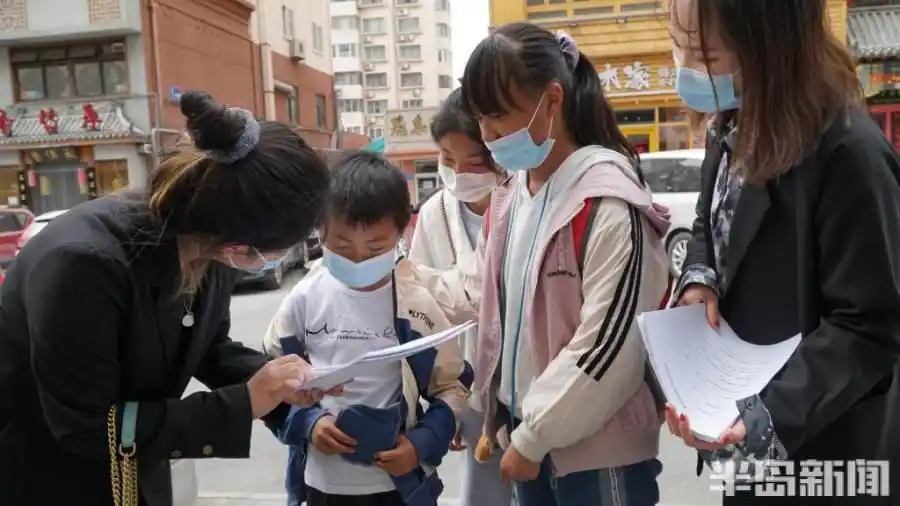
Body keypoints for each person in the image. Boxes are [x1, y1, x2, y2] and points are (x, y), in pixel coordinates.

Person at [0, 91, 336, 506]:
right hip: (48, 481)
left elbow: (209, 346)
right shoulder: (83, 265)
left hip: (136, 471)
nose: (279, 258)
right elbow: (85, 426)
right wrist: (245, 401)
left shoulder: (205, 242)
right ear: (239, 242)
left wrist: (285, 388)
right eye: (279, 247)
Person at [664, 1, 900, 504]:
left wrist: (766, 417)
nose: (685, 66)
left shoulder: (849, 153)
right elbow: (709, 218)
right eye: (678, 44)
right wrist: (700, 274)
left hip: (825, 449)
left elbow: (869, 325)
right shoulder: (730, 127)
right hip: (740, 424)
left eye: (703, 52)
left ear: (769, 47)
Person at [459, 23, 671, 506]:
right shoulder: (514, 196)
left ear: (552, 100)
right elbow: (482, 294)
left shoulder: (608, 203)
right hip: (525, 434)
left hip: (595, 453)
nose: (487, 135)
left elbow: (610, 347)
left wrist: (534, 436)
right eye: (479, 119)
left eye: (497, 117)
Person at [262, 151, 472, 506]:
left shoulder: (415, 305)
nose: (358, 259)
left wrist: (419, 444)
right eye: (341, 246)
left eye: (376, 247)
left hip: (397, 489)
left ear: (402, 232)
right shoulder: (304, 298)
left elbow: (452, 386)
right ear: (320, 232)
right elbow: (268, 380)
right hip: (321, 485)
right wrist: (309, 423)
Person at [408, 88, 512, 506]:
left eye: (472, 161)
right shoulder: (436, 212)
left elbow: (470, 292)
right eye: (448, 160)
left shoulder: (520, 200)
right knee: (485, 489)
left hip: (523, 381)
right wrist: (442, 397)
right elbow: (424, 313)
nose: (460, 173)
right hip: (466, 384)